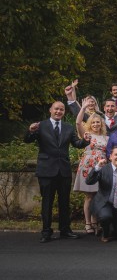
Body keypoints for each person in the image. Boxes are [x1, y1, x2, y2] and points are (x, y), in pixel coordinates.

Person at [24, 101, 89, 243]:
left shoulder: (68, 127)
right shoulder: (41, 126)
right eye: (56, 109)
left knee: (64, 202)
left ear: (64, 112)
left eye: (62, 109)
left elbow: (77, 144)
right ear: (50, 110)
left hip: (63, 171)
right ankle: (46, 231)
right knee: (47, 202)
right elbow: (27, 140)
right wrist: (30, 130)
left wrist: (85, 141)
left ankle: (65, 230)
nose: (59, 111)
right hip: (46, 171)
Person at [74, 104, 109, 235]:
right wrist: (82, 109)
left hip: (101, 167)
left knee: (98, 195)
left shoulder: (107, 138)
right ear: (90, 124)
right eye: (93, 122)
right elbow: (78, 123)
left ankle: (96, 223)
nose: (95, 124)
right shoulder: (86, 135)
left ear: (102, 124)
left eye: (98, 122)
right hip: (88, 167)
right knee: (89, 196)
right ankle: (88, 223)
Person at [86, 146, 117, 242]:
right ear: (110, 157)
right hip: (105, 203)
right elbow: (89, 181)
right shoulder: (103, 169)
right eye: (116, 154)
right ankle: (105, 232)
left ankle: (113, 226)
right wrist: (97, 167)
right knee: (105, 217)